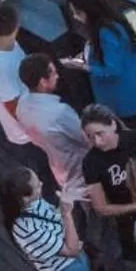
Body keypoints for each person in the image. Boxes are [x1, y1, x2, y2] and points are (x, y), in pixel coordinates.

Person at [0, 3, 55, 183]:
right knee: (42, 176)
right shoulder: (1, 68)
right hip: (26, 136)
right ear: (17, 25)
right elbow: (13, 107)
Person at [66, 0, 136, 127]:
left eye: (78, 13)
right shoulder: (111, 23)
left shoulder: (105, 32)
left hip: (125, 97)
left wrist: (84, 66)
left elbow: (113, 69)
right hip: (131, 91)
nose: (76, 17)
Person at [80, 104, 136, 268]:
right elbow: (101, 207)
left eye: (100, 134)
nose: (97, 141)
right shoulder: (90, 163)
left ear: (112, 124)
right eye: (90, 137)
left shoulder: (135, 140)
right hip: (129, 221)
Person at [15, 54, 88, 193]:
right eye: (53, 72)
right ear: (43, 81)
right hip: (80, 168)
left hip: (59, 169)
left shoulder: (22, 105)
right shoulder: (60, 112)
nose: (57, 76)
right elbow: (85, 139)